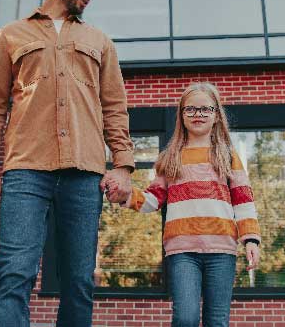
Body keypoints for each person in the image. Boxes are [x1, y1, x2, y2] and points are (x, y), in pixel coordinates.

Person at [0, 0, 134, 327]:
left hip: (84, 172)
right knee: (14, 274)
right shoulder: (12, 35)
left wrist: (124, 166)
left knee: (79, 281)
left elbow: (115, 108)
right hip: (26, 170)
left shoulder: (100, 42)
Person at [105, 82, 261, 327]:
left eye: (205, 109)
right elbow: (153, 199)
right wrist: (125, 196)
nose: (197, 114)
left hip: (222, 249)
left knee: (217, 320)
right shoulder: (170, 158)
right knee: (185, 318)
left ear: (217, 115)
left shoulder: (228, 156)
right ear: (181, 115)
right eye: (190, 109)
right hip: (182, 251)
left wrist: (251, 238)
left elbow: (243, 200)